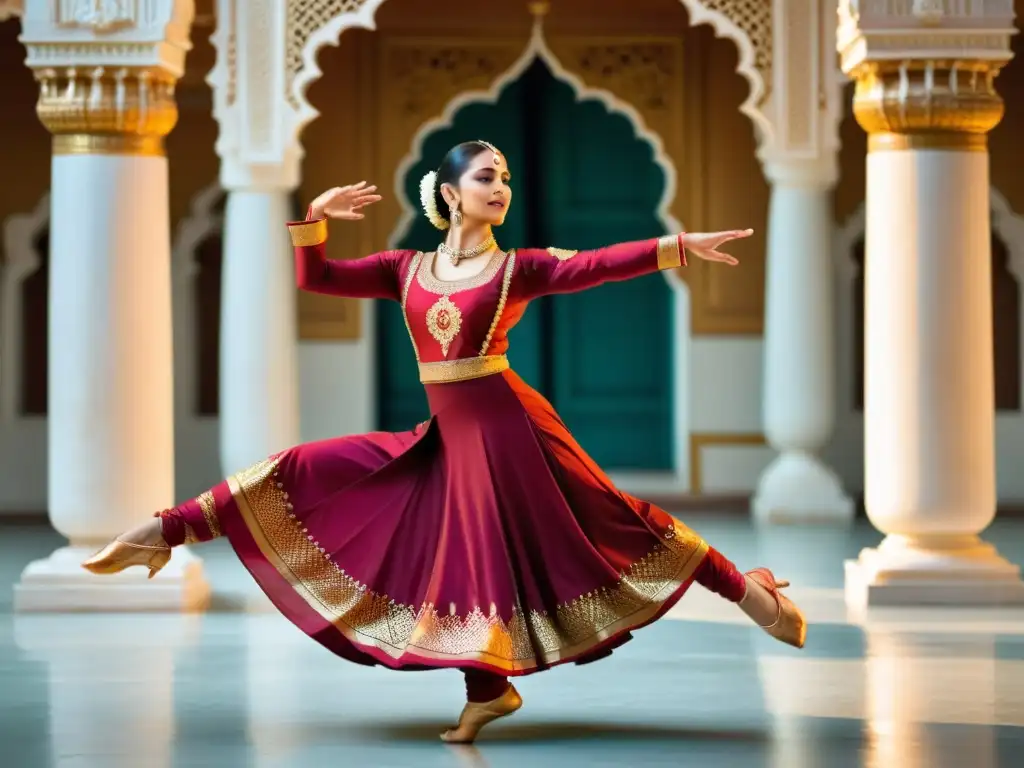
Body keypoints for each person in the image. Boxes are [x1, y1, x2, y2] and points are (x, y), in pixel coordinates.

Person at [83, 140, 806, 744]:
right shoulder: (406, 271)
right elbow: (318, 277)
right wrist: (314, 218)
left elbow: (593, 265)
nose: (502, 188)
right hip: (448, 438)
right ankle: (166, 531)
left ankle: (750, 594)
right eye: (487, 177)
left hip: (514, 429)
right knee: (314, 472)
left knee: (614, 520)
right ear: (452, 194)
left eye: (507, 180)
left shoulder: (516, 267)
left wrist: (678, 246)